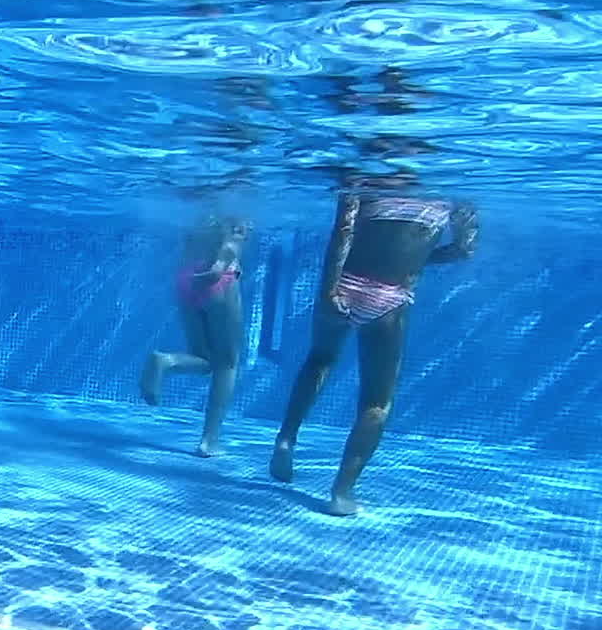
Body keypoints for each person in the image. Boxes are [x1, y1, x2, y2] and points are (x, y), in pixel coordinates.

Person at [269, 178, 478, 516]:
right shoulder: (455, 190)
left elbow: (344, 232)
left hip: (344, 283)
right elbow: (464, 249)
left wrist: (328, 290)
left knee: (319, 360)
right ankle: (342, 492)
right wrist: (417, 258)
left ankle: (286, 438)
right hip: (391, 298)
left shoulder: (361, 178)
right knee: (377, 402)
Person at [140, 213, 251, 456]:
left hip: (187, 279)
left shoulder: (197, 210)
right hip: (218, 279)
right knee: (228, 364)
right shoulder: (234, 202)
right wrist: (220, 266)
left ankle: (167, 360)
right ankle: (209, 441)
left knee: (204, 360)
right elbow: (232, 237)